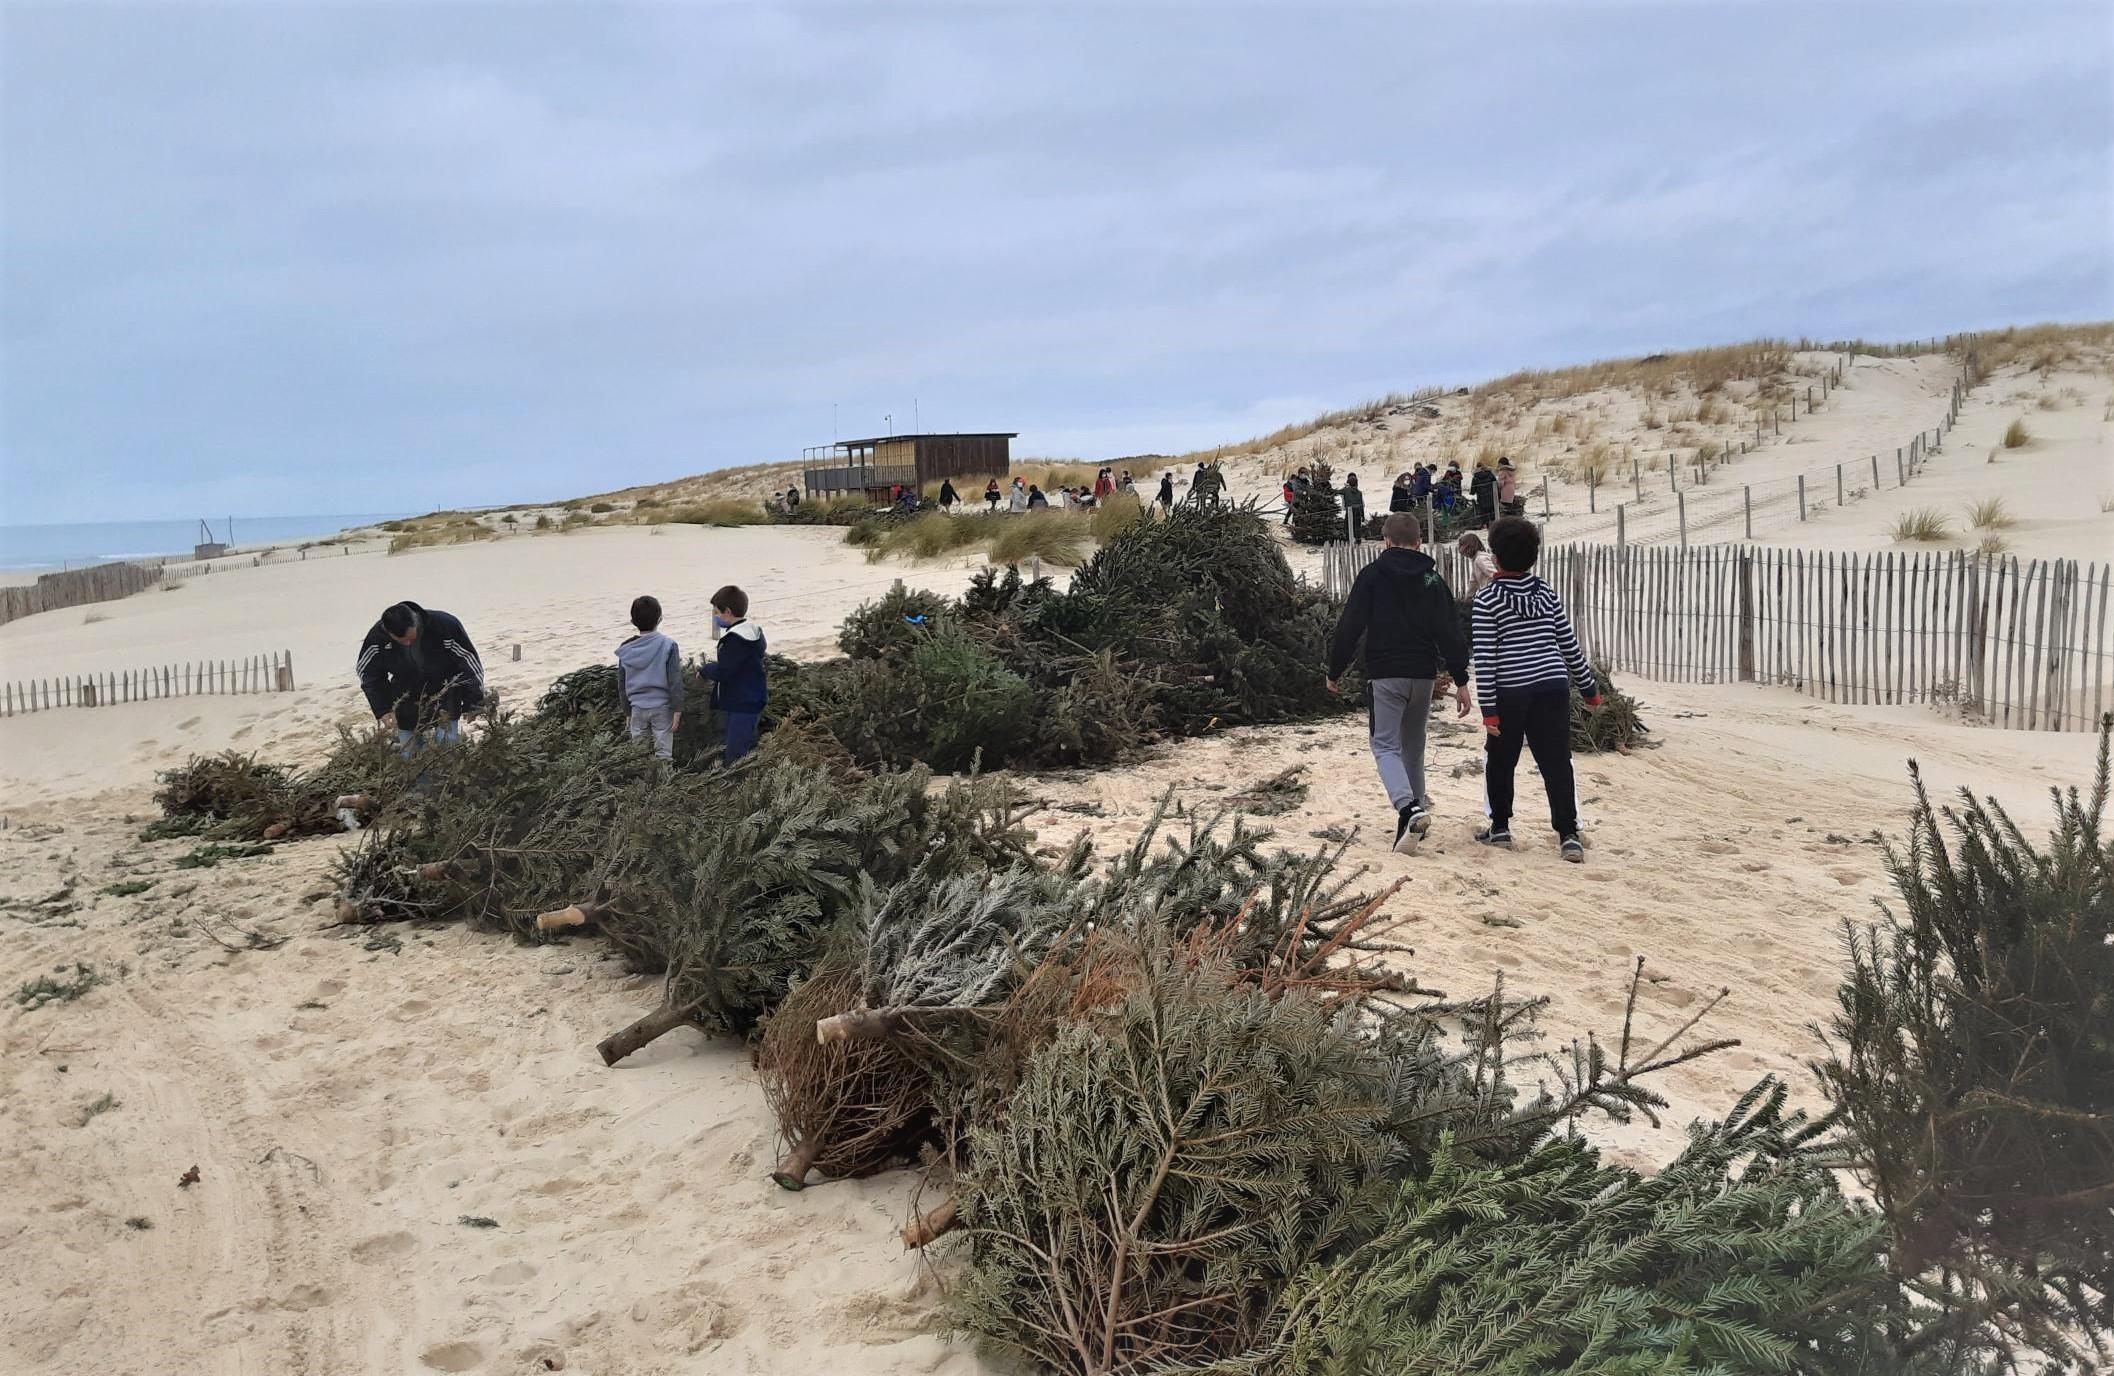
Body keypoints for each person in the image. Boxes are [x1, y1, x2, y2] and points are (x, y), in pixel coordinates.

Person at [1325, 513, 1472, 853]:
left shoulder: (1373, 575)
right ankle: (1412, 826)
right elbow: (1450, 632)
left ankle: (1408, 808)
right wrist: (1461, 679)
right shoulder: (1432, 580)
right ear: (1420, 542)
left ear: (1386, 541)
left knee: (1385, 746)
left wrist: (1334, 671)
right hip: (1422, 676)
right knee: (1413, 749)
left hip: (1385, 674)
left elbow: (1350, 626)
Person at [1470, 517, 1601, 861]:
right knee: (1556, 761)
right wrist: (1590, 689)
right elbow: (1569, 645)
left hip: (1510, 692)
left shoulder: (1487, 601)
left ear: (1495, 557)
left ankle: (1500, 829)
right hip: (1552, 687)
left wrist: (1489, 712)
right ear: (1533, 557)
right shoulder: (1546, 592)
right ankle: (1568, 834)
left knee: (1501, 761)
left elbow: (1485, 660)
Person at [357, 601, 485, 754]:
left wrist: (474, 702)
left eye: (411, 638)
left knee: (448, 747)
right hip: (405, 696)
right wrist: (383, 709)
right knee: (410, 753)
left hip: (445, 691)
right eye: (402, 641)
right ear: (388, 632)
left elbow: (469, 664)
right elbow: (369, 675)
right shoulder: (377, 639)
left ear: (415, 621)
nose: (408, 643)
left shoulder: (444, 626)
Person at [698, 585, 767, 764]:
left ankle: (740, 785)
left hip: (741, 703)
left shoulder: (735, 640)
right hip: (750, 698)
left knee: (736, 754)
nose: (715, 617)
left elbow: (725, 671)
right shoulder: (753, 631)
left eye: (716, 612)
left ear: (727, 612)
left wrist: (705, 670)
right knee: (745, 746)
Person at [616, 595, 683, 761]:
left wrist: (627, 712)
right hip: (662, 707)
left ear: (632, 621)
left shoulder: (625, 649)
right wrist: (677, 710)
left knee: (639, 756)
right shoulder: (668, 645)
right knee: (664, 755)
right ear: (660, 618)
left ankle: (643, 786)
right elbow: (675, 680)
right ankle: (664, 784)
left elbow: (622, 685)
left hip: (637, 708)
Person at [1457, 531, 1498, 597]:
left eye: (1461, 545)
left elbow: (1495, 574)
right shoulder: (1476, 559)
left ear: (1468, 547)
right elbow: (1473, 582)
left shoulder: (1480, 559)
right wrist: (1468, 596)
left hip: (1491, 593)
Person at [1471, 461, 1498, 526]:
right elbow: (1495, 485)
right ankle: (1493, 523)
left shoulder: (1475, 477)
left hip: (1481, 498)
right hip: (1491, 497)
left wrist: (1472, 492)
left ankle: (1485, 523)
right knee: (1492, 511)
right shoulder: (1490, 474)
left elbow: (1473, 490)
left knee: (1483, 511)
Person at [1342, 472, 1366, 536]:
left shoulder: (1348, 489)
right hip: (1356, 510)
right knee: (1356, 526)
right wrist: (1362, 515)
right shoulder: (1353, 489)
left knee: (1349, 525)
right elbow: (1361, 504)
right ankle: (1356, 539)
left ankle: (1350, 538)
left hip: (1350, 509)